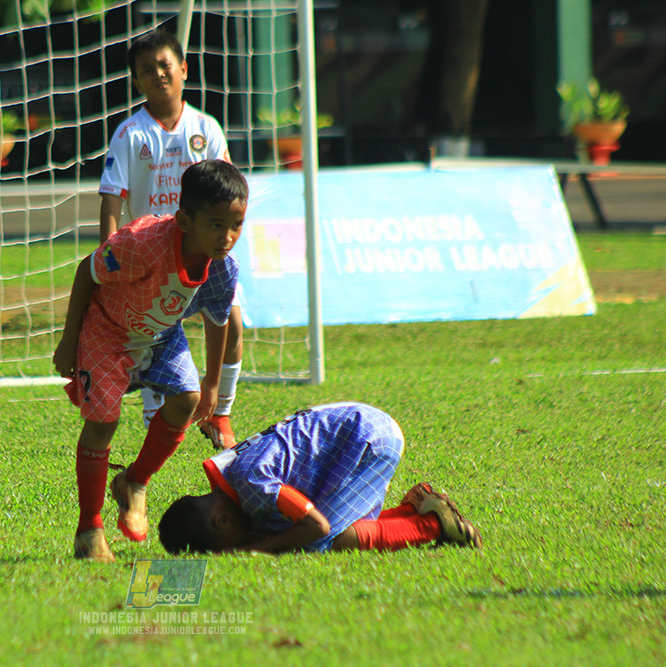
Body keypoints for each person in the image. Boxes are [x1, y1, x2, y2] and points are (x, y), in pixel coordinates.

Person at [54, 159, 248, 563]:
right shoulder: (141, 245)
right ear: (184, 221)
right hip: (108, 332)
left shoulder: (221, 267)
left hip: (161, 335)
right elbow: (86, 273)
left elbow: (217, 319)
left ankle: (134, 481)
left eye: (236, 225)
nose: (227, 237)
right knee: (102, 422)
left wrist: (212, 385)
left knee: (186, 399)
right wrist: (70, 341)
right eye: (216, 224)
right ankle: (89, 529)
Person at [99, 28, 244, 451]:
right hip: (152, 257)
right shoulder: (130, 134)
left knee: (231, 324)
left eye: (165, 65)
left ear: (183, 69)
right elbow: (112, 198)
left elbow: (229, 190)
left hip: (204, 251)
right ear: (136, 81)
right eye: (147, 70)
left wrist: (227, 239)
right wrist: (110, 257)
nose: (158, 74)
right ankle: (155, 406)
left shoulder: (206, 128)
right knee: (153, 332)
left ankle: (221, 413)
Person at [158, 402, 483, 554]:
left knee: (320, 541)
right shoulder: (237, 485)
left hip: (370, 440)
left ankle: (432, 524)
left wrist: (255, 550)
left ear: (221, 521)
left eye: (232, 543)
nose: (242, 542)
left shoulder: (253, 487)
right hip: (355, 429)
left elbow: (318, 527)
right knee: (287, 528)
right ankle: (412, 511)